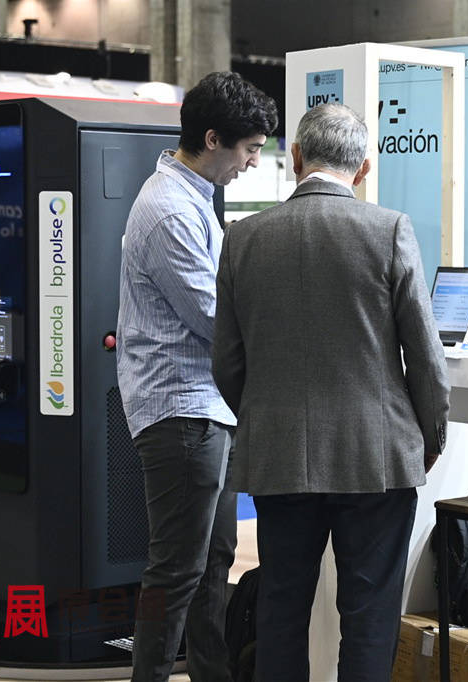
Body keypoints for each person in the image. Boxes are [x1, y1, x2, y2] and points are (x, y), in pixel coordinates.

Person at [212, 102, 450, 681]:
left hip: (279, 452)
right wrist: (429, 436)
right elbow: (424, 355)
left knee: (281, 608)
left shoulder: (243, 238)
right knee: (369, 614)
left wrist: (265, 415)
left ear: (295, 157)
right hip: (376, 454)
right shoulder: (388, 230)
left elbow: (226, 361)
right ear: (364, 168)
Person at [117, 71, 277, 682]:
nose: (252, 162)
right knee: (175, 570)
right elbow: (215, 318)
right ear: (213, 139)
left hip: (206, 407)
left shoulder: (192, 199)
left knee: (213, 562)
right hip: (180, 411)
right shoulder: (169, 212)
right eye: (249, 150)